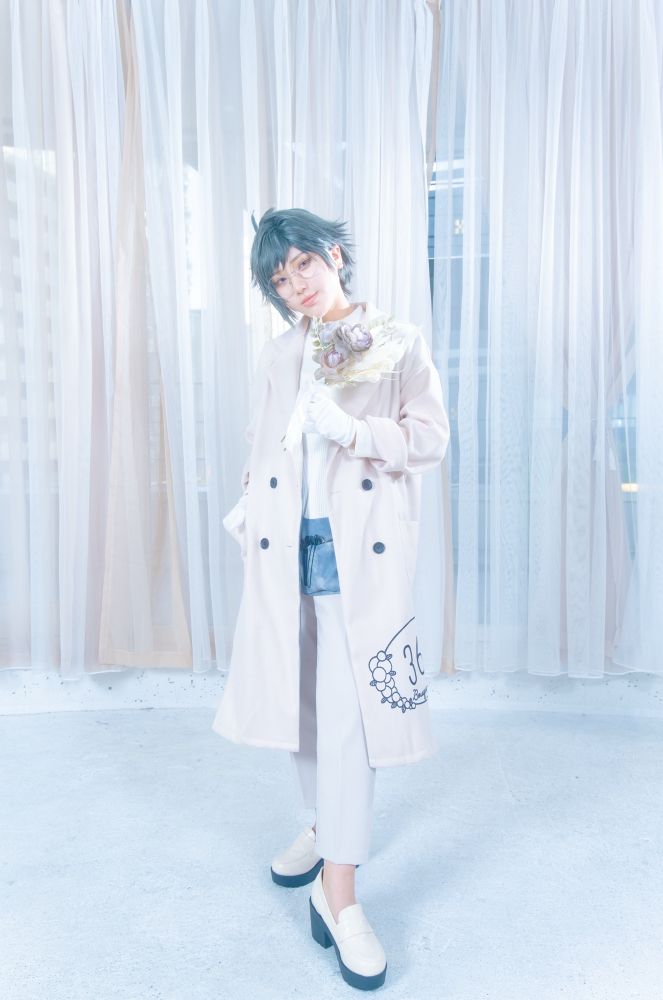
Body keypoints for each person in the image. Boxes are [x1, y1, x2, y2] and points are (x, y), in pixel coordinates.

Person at [212, 207, 449, 991]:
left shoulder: (392, 340)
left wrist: (353, 431)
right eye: (279, 280)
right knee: (305, 713)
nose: (295, 285)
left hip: (358, 555)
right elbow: (264, 443)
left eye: (303, 265)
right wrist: (251, 496)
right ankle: (322, 827)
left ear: (334, 255)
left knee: (350, 725)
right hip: (285, 552)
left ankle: (338, 892)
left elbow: (429, 438)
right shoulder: (281, 352)